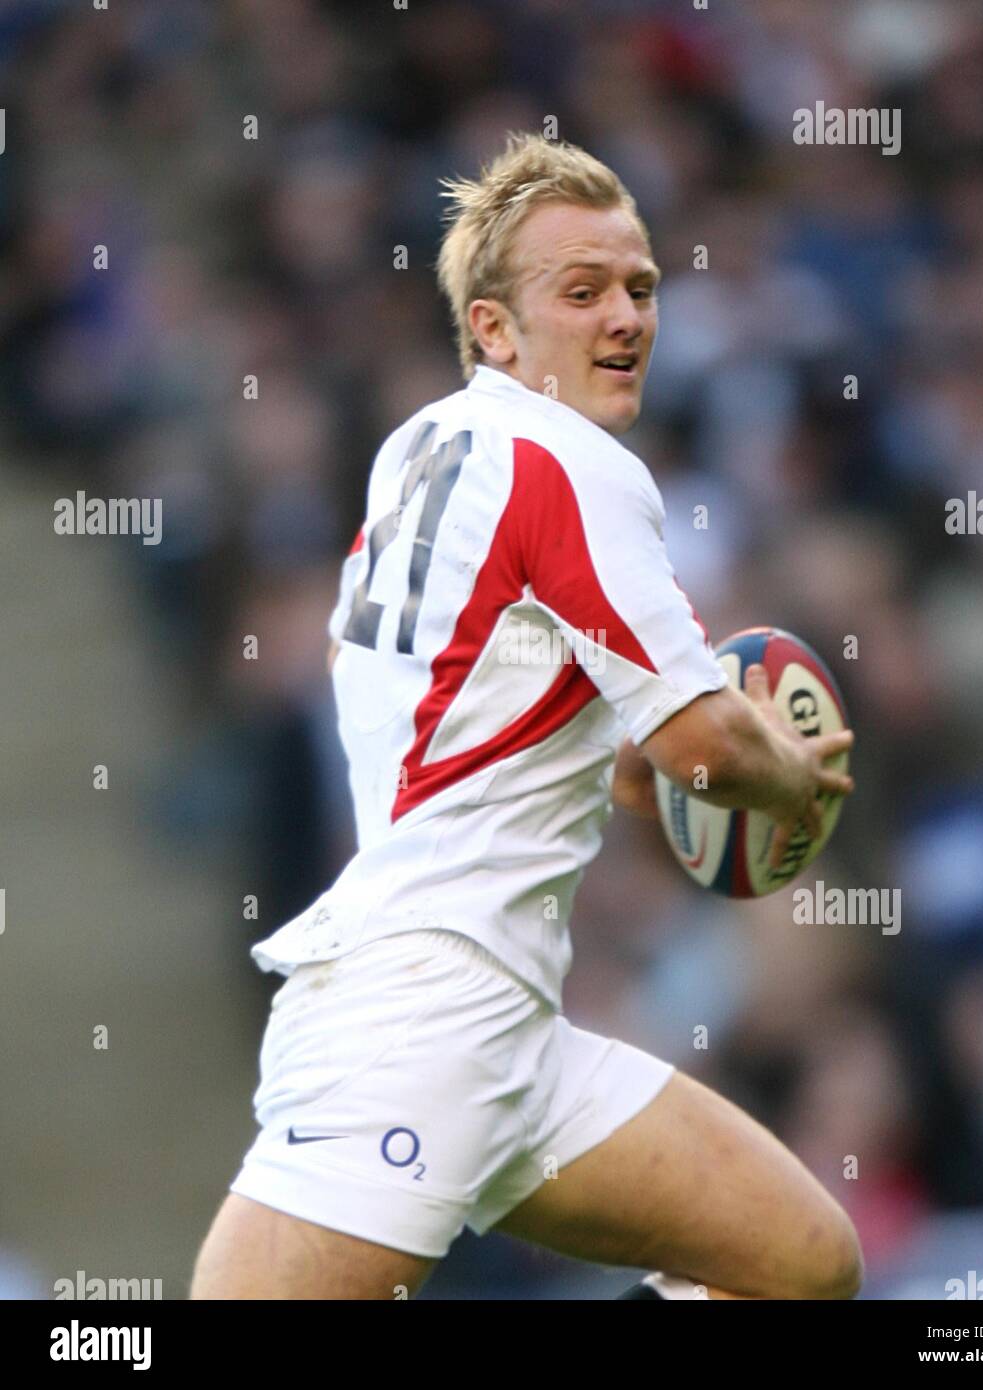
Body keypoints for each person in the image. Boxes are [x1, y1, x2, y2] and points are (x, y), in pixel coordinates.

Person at [190, 133, 860, 1301]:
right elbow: (705, 739)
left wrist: (626, 767)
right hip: (423, 1009)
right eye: (582, 289)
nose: (625, 316)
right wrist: (789, 780)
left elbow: (473, 702)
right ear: (495, 330)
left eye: (641, 288)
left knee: (797, 1262)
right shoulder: (569, 462)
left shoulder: (416, 451)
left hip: (505, 1021)